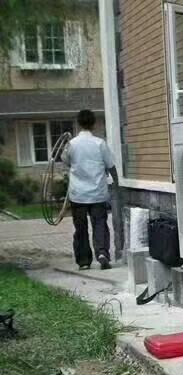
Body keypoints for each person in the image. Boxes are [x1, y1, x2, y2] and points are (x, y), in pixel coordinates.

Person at [62, 109, 119, 270]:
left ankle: (84, 261)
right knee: (100, 224)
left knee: (80, 227)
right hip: (98, 193)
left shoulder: (72, 144)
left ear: (78, 123)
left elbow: (65, 160)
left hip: (78, 194)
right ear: (93, 124)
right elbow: (111, 166)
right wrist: (117, 182)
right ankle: (102, 253)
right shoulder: (100, 143)